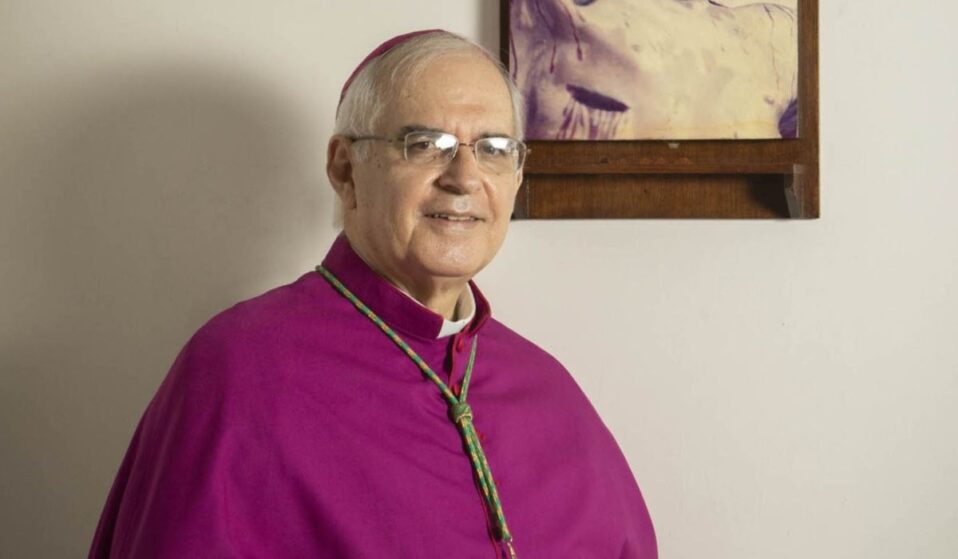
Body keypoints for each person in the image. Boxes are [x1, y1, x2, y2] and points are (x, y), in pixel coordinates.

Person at [89, 30, 657, 559]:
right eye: (425, 144)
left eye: (493, 148)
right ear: (345, 169)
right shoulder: (239, 370)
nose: (464, 178)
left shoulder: (548, 387)